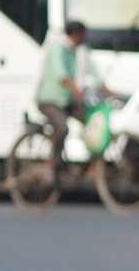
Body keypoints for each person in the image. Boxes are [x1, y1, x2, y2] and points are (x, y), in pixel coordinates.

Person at [34, 19, 101, 166]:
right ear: (76, 34)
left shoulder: (79, 51)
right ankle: (53, 161)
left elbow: (93, 70)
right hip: (50, 99)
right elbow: (61, 74)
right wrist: (76, 90)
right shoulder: (57, 47)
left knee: (92, 122)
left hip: (67, 100)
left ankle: (92, 165)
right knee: (62, 127)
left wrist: (106, 89)